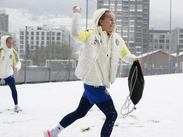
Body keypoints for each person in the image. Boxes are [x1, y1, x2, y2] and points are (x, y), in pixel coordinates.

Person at [43, 6, 141, 137]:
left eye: (114, 20)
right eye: (110, 19)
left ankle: (53, 132)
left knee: (80, 112)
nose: (113, 22)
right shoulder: (91, 35)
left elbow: (125, 55)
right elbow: (75, 33)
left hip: (96, 84)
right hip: (94, 85)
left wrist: (135, 59)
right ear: (101, 21)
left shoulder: (117, 39)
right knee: (112, 115)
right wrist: (77, 14)